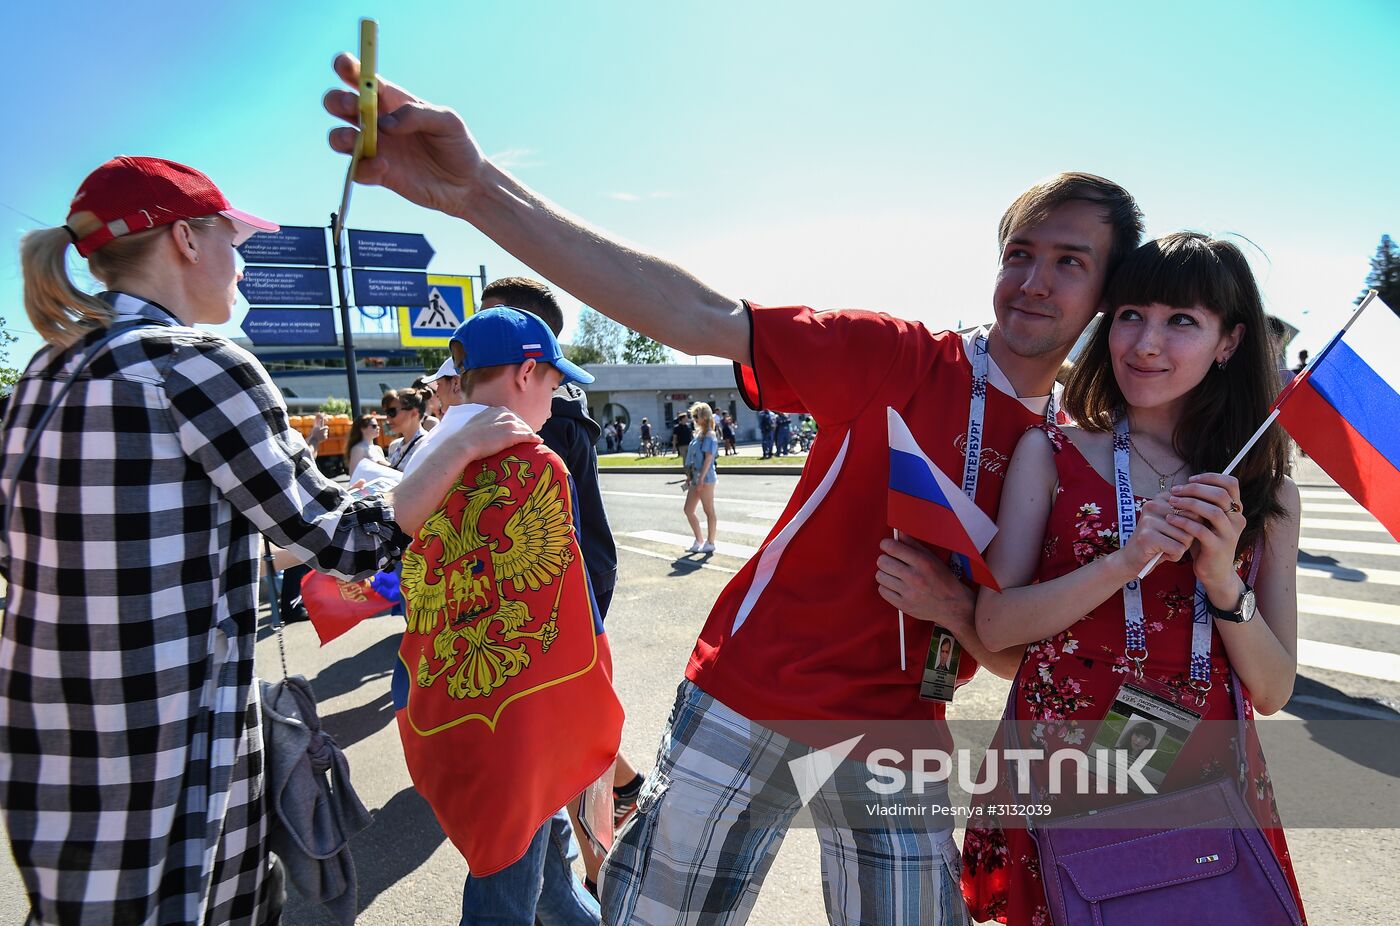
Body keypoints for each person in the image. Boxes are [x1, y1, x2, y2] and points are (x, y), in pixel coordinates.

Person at [323, 61, 1141, 925]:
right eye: (1021, 253)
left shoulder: (1079, 458)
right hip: (753, 689)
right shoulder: (898, 357)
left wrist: (956, 610)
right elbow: (694, 311)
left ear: (1105, 292)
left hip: (900, 726)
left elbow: (1030, 658)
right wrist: (479, 191)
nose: (1035, 280)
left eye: (1069, 262)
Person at [0, 155, 536, 926]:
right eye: (233, 238)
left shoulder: (47, 370)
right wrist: (456, 445)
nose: (242, 261)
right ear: (185, 239)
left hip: (55, 747)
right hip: (171, 751)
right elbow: (355, 544)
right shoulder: (195, 365)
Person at [961, 232, 1306, 923]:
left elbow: (1272, 689)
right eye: (1130, 315)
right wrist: (1122, 560)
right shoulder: (1051, 450)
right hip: (1064, 762)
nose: (1146, 343)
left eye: (1181, 321)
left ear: (1229, 342)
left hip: (1199, 775)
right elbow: (994, 624)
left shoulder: (1265, 488)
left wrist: (1221, 579)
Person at [403, 305, 606, 926]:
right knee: (505, 889)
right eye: (553, 379)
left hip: (451, 691)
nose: (556, 394)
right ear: (525, 372)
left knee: (546, 876)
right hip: (521, 707)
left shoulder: (428, 454)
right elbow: (567, 602)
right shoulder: (534, 462)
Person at [477, 275, 644, 894]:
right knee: (568, 733)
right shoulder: (511, 408)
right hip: (551, 585)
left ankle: (603, 870)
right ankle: (619, 790)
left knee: (571, 729)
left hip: (567, 586)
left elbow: (549, 536)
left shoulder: (551, 417)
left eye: (490, 322)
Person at [682, 402, 719, 554]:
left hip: (706, 477)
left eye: (697, 416)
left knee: (708, 510)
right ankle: (699, 540)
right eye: (693, 416)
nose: (694, 419)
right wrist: (690, 477)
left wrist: (701, 479)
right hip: (696, 476)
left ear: (704, 417)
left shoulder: (710, 435)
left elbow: (708, 459)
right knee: (688, 510)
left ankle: (710, 542)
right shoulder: (698, 434)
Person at [386, 387, 432, 470]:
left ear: (414, 413)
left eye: (392, 411)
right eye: (386, 412)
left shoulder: (428, 444)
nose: (388, 418)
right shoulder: (394, 446)